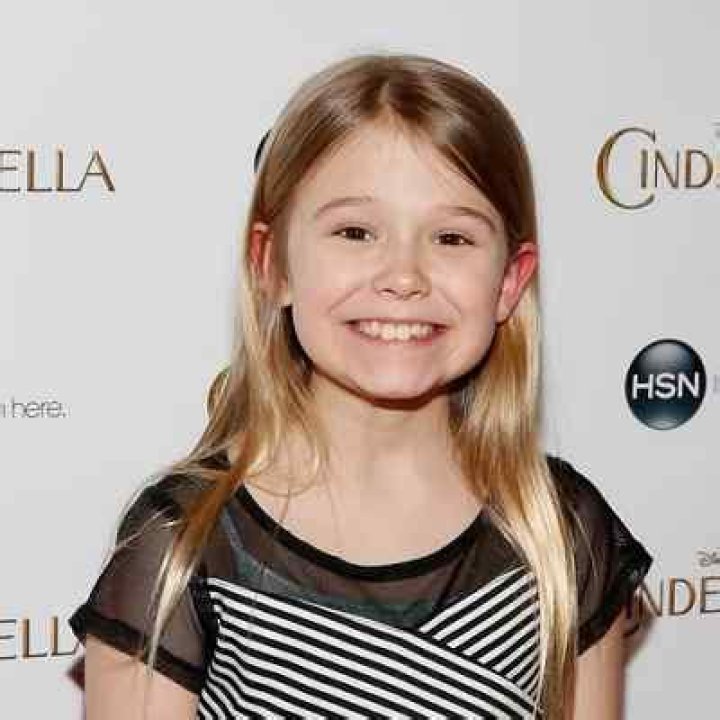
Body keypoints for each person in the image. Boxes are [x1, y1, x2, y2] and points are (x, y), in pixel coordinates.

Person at [69, 52, 653, 719]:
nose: (403, 276)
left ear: (510, 282)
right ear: (272, 265)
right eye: (355, 232)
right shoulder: (185, 545)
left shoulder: (560, 530)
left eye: (452, 238)